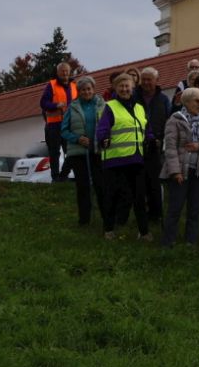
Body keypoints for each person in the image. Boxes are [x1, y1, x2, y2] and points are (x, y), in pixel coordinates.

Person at [96, 72, 152, 241]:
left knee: (139, 198)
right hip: (115, 160)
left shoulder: (140, 108)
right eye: (121, 86)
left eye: (127, 86)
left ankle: (144, 232)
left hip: (136, 159)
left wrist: (151, 138)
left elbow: (146, 127)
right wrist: (103, 138)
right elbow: (102, 128)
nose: (124, 89)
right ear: (115, 88)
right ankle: (108, 229)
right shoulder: (109, 107)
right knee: (112, 196)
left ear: (132, 87)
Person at [159, 88, 199, 248]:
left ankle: (191, 242)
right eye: (197, 101)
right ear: (186, 102)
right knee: (175, 208)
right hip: (180, 171)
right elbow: (170, 148)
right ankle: (168, 242)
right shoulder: (174, 120)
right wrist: (175, 171)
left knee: (194, 210)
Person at [60, 76, 102, 226]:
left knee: (101, 185)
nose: (86, 92)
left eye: (89, 89)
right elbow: (64, 130)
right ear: (79, 91)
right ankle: (84, 220)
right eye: (83, 89)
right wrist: (77, 138)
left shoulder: (102, 104)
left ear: (93, 89)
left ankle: (106, 218)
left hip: (98, 151)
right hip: (79, 153)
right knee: (83, 187)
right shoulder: (72, 107)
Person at [136, 67, 173, 224]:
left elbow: (169, 120)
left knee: (154, 181)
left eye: (149, 79)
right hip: (136, 145)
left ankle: (155, 214)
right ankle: (140, 213)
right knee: (139, 181)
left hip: (156, 145)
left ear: (156, 81)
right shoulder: (134, 97)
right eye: (143, 79)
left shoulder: (163, 99)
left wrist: (162, 139)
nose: (145, 82)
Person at [38, 62, 77, 183]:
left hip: (70, 125)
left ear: (69, 72)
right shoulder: (51, 85)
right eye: (62, 71)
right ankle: (55, 177)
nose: (64, 73)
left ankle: (65, 175)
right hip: (54, 125)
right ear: (58, 72)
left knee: (71, 151)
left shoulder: (74, 86)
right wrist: (55, 105)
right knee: (54, 152)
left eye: (66, 71)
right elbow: (43, 103)